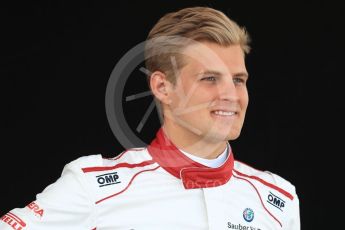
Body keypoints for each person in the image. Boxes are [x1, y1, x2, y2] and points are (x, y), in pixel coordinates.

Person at [0, 6, 300, 230]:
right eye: (209, 78)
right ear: (161, 87)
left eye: (238, 79)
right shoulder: (94, 187)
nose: (231, 95)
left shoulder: (279, 199)